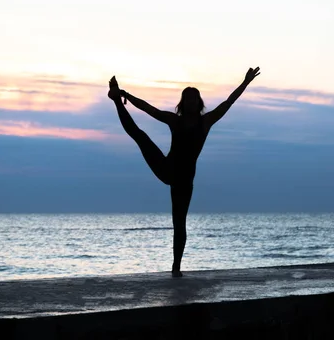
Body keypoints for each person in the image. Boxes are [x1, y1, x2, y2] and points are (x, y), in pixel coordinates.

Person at [108, 67, 261, 277]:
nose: (190, 101)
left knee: (179, 224)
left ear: (198, 102)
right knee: (139, 135)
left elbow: (228, 102)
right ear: (182, 102)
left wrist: (245, 82)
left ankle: (176, 268)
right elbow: (149, 109)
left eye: (193, 98)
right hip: (166, 168)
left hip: (184, 180)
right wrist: (126, 96)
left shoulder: (206, 122)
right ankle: (116, 99)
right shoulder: (175, 121)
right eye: (187, 98)